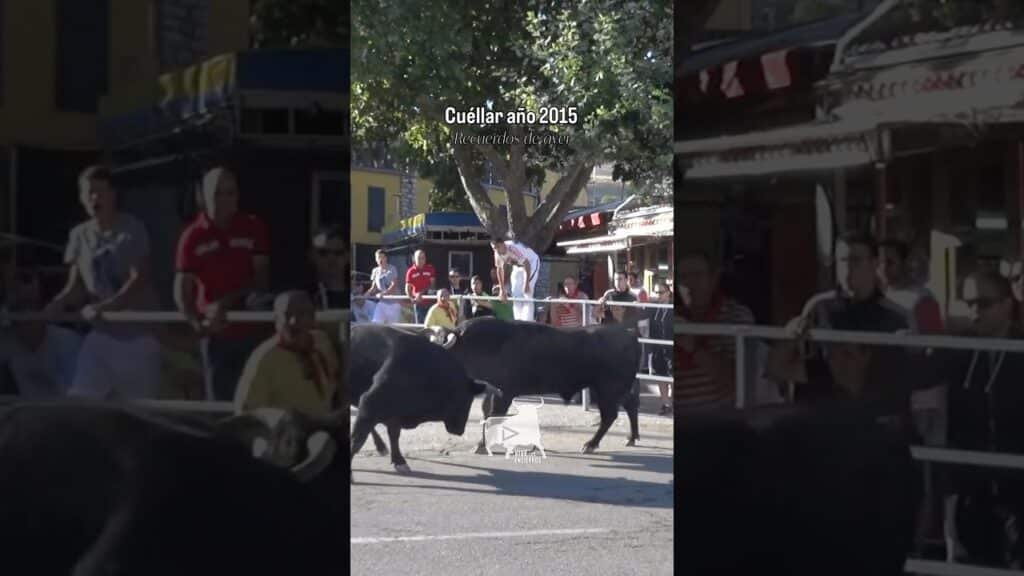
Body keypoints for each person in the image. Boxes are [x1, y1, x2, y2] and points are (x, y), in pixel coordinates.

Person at [768, 233, 913, 433]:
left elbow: (904, 382)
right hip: (824, 418)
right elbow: (784, 367)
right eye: (842, 261)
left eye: (856, 260)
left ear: (874, 263)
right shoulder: (818, 307)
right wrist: (790, 336)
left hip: (872, 422)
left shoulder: (897, 317)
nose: (847, 268)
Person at [44, 165, 162, 399]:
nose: (94, 198)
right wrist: (58, 303)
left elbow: (139, 279)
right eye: (89, 193)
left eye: (100, 192)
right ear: (81, 198)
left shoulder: (133, 228)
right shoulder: (78, 235)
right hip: (101, 335)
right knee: (80, 401)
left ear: (113, 194)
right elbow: (75, 287)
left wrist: (107, 306)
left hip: (137, 337)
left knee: (141, 412)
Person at [934, 270, 1024, 567]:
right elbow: (918, 373)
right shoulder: (959, 348)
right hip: (972, 486)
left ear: (1007, 304)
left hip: (1017, 483)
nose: (975, 311)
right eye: (969, 303)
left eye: (983, 303)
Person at [174, 166, 271, 402]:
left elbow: (261, 280)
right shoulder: (192, 236)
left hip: (252, 331)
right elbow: (182, 289)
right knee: (219, 405)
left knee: (253, 403)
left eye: (230, 192)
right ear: (202, 196)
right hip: (216, 336)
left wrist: (226, 303)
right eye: (217, 193)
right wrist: (197, 323)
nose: (224, 199)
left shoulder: (253, 226)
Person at [234, 291, 339, 417]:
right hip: (289, 428)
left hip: (326, 422)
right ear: (276, 320)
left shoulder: (322, 342)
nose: (293, 321)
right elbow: (245, 410)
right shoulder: (265, 358)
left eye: (302, 314)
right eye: (287, 315)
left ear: (313, 317)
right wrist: (281, 419)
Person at [675, 251, 755, 410]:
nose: (690, 283)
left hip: (718, 415)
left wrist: (693, 347)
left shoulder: (735, 315)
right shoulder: (670, 314)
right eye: (683, 277)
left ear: (713, 279)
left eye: (697, 275)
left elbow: (737, 381)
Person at [3, 269, 82, 398]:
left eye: (31, 305)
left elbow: (78, 400)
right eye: (20, 307)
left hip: (65, 409)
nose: (27, 316)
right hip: (27, 410)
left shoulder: (69, 342)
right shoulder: (7, 341)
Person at [492, 238, 541, 321]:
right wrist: (502, 290)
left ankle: (527, 320)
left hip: (531, 262)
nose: (497, 250)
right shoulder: (497, 253)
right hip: (517, 266)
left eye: (498, 247)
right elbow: (499, 270)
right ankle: (518, 320)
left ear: (503, 244)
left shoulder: (512, 248)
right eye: (494, 248)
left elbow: (527, 264)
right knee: (515, 292)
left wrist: (526, 284)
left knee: (526, 292)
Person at [309, 225, 348, 310]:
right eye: (323, 253)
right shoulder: (303, 299)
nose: (331, 259)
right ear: (312, 255)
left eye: (338, 253)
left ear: (347, 256)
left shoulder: (356, 296)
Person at [649, 279, 673, 414]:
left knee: (673, 376)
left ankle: (673, 402)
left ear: (668, 293)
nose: (658, 295)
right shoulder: (654, 308)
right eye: (656, 292)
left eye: (661, 292)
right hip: (658, 347)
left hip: (672, 347)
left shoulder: (673, 307)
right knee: (661, 375)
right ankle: (666, 404)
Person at [367, 249, 401, 324]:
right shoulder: (375, 271)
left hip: (394, 303)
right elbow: (373, 288)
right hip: (382, 303)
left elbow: (394, 285)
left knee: (393, 327)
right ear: (376, 259)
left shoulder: (392, 268)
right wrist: (365, 295)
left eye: (382, 257)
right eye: (378, 257)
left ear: (386, 258)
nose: (380, 259)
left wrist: (384, 293)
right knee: (375, 324)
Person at [405, 249, 436, 324]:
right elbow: (407, 288)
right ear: (414, 259)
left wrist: (421, 293)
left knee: (430, 324)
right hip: (418, 303)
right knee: (420, 325)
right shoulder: (411, 271)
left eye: (423, 258)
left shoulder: (430, 269)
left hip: (430, 301)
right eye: (419, 258)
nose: (421, 260)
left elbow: (432, 285)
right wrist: (411, 298)